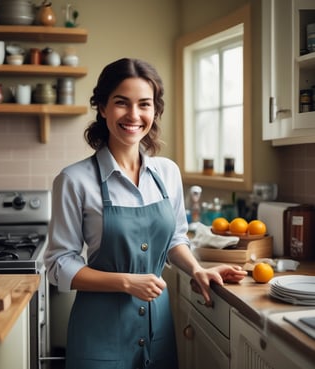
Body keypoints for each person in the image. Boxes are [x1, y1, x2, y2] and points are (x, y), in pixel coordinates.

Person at [44, 57, 247, 369]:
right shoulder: (74, 180)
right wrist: (126, 282)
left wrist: (196, 269)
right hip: (99, 334)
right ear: (102, 107)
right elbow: (59, 265)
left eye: (144, 104)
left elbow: (176, 238)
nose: (134, 115)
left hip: (158, 330)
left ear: (155, 110)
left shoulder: (167, 173)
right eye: (121, 103)